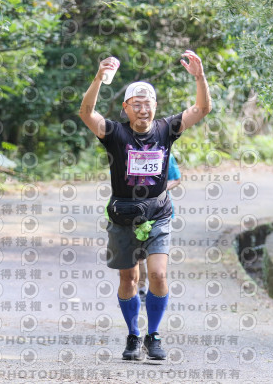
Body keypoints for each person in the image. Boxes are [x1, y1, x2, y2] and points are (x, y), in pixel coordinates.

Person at [78, 50, 212, 361]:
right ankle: (133, 335)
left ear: (155, 107)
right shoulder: (115, 133)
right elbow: (86, 113)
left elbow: (202, 108)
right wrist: (99, 78)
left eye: (147, 103)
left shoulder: (166, 129)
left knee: (159, 275)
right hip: (123, 216)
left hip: (158, 214)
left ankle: (153, 335)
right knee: (129, 279)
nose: (142, 109)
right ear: (126, 108)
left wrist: (200, 77)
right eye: (136, 104)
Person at [138, 155, 181, 303]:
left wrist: (159, 189)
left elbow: (176, 179)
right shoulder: (127, 151)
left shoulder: (165, 154)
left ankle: (154, 291)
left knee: (155, 259)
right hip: (134, 213)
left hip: (160, 213)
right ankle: (141, 289)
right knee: (138, 257)